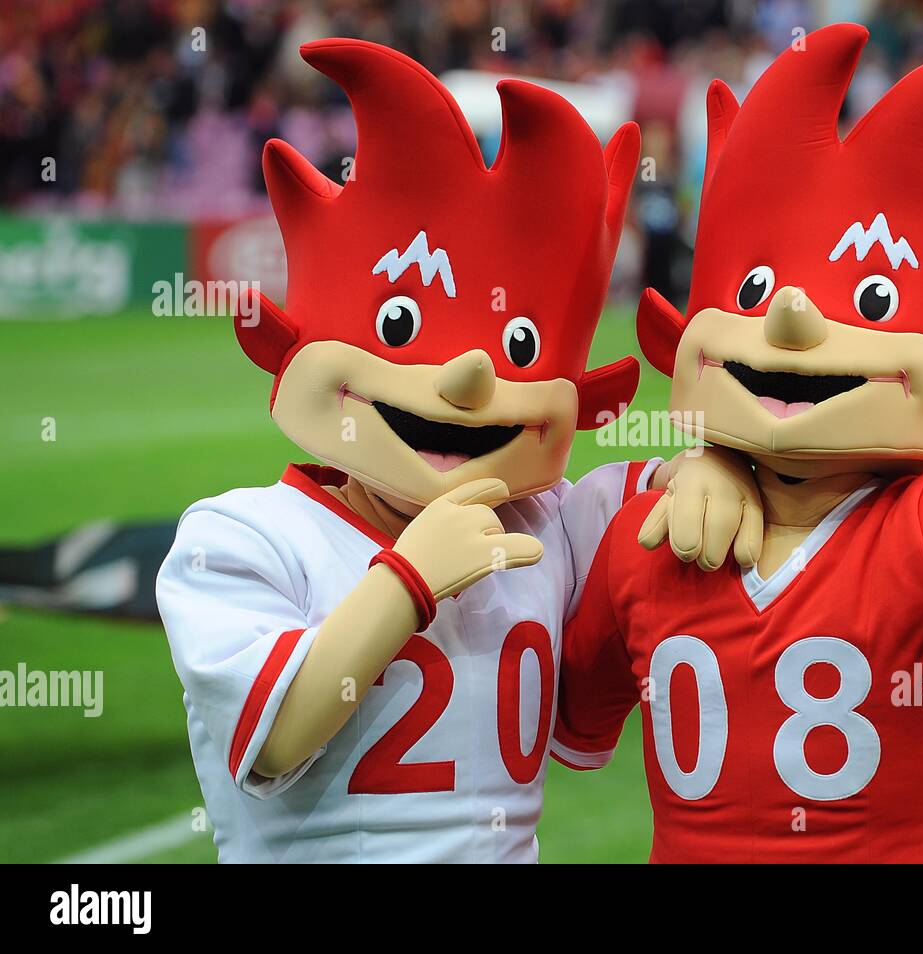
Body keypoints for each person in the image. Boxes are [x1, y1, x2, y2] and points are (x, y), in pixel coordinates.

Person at [554, 26, 923, 863]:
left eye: (872, 300)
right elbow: (569, 714)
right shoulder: (647, 538)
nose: (792, 318)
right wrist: (695, 457)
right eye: (757, 288)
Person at [154, 39, 752, 863]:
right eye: (399, 331)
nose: (468, 376)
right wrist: (408, 580)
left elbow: (671, 499)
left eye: (516, 345)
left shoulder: (555, 521)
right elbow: (276, 741)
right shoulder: (240, 538)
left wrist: (715, 461)